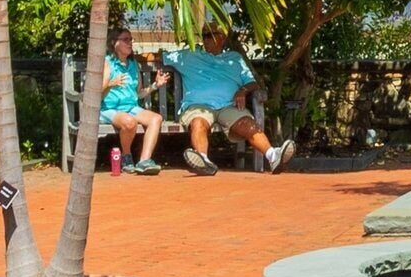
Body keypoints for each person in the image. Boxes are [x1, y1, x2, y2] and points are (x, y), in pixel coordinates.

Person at [169, 22, 288, 172]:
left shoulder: (235, 58)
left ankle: (273, 156)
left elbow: (252, 83)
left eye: (209, 35)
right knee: (198, 123)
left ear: (222, 38)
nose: (205, 39)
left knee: (246, 122)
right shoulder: (188, 56)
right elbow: (154, 57)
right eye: (203, 36)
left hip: (228, 105)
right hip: (199, 106)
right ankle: (203, 161)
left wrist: (242, 91)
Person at [98, 26, 162, 171]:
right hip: (109, 108)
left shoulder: (133, 64)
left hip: (131, 107)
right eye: (125, 39)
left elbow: (138, 93)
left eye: (130, 39)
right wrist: (110, 84)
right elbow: (96, 92)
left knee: (155, 119)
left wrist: (154, 86)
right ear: (114, 43)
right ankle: (126, 156)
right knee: (129, 122)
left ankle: (144, 161)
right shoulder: (107, 63)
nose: (130, 43)